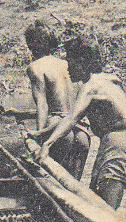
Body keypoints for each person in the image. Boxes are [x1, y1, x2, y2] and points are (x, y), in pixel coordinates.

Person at [34, 43, 126, 210]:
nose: (68, 69)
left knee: (105, 217)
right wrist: (43, 132)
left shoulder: (89, 88)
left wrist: (47, 144)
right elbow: (74, 118)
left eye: (71, 63)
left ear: (83, 62)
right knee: (95, 207)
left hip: (117, 151)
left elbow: (71, 118)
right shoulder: (112, 79)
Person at [24, 22, 89, 178]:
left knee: (49, 180)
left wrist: (39, 135)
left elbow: (43, 105)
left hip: (57, 130)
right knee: (74, 187)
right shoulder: (66, 64)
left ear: (32, 46)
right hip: (81, 130)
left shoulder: (35, 67)